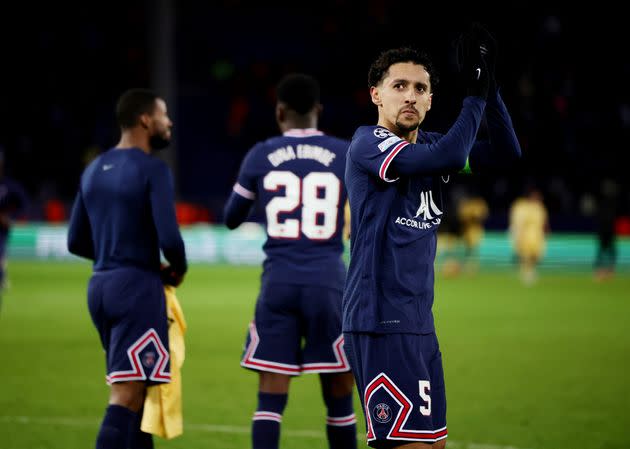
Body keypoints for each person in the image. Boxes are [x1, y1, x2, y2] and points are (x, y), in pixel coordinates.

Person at [342, 25, 521, 449]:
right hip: (380, 322)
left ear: (430, 100)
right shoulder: (368, 144)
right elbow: (453, 155)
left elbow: (506, 153)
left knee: (432, 444)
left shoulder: (434, 147)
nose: (409, 95)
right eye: (398, 85)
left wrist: (489, 84)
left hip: (419, 323)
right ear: (376, 95)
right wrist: (473, 95)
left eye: (420, 88)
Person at [223, 73, 357, 449]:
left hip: (278, 282)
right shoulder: (345, 153)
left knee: (270, 397)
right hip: (330, 283)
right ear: (318, 111)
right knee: (339, 395)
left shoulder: (261, 153)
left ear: (279, 112)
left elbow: (232, 217)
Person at [67, 88, 187, 449]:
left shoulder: (92, 170)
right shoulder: (153, 169)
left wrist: (112, 254)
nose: (169, 123)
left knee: (139, 397)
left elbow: (75, 241)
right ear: (146, 120)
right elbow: (169, 237)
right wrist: (177, 268)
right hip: (136, 290)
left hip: (100, 287)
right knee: (126, 397)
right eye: (164, 116)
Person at [0, 149, 27, 294]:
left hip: (2, 228)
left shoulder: (9, 185)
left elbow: (23, 204)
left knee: (1, 253)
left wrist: (11, 218)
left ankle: (2, 278)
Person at [509, 188, 548, 285]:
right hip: (526, 235)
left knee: (536, 256)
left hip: (537, 235)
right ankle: (526, 273)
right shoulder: (521, 206)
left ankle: (530, 271)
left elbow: (544, 221)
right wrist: (517, 234)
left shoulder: (540, 207)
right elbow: (517, 222)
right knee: (525, 255)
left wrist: (546, 230)